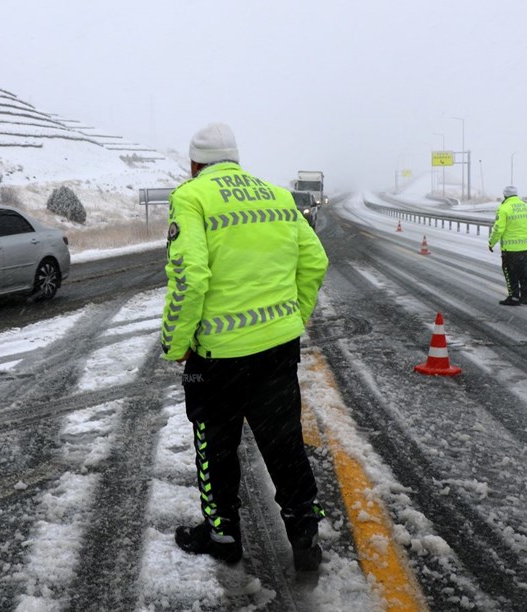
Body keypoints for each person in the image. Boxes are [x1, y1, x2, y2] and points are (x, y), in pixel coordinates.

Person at [159, 122, 330, 571]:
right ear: (235, 158)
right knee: (285, 445)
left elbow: (190, 277)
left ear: (195, 163)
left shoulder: (191, 196)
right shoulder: (276, 196)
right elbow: (315, 260)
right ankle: (305, 534)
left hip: (218, 359)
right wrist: (294, 318)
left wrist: (175, 343)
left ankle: (223, 536)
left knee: (215, 448)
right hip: (277, 349)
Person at [488, 185, 527, 305]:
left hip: (510, 249)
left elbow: (498, 228)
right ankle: (525, 297)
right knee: (523, 273)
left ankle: (514, 297)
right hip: (525, 247)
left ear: (505, 195)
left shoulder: (504, 208)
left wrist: (491, 242)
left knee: (510, 273)